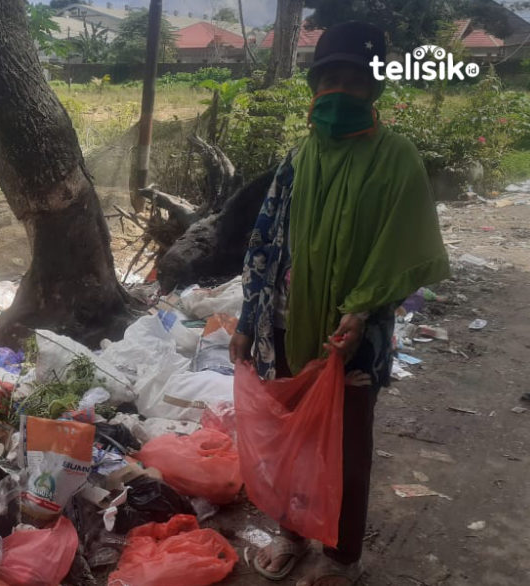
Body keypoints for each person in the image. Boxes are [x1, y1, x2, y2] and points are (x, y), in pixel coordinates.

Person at [229, 21, 450, 586]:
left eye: (354, 81)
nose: (340, 93)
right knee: (293, 443)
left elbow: (404, 248)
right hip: (285, 327)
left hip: (357, 335)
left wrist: (359, 310)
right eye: (330, 80)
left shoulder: (396, 158)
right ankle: (290, 534)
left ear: (373, 89)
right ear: (315, 87)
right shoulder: (298, 160)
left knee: (348, 452)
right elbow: (264, 244)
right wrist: (248, 321)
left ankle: (341, 558)